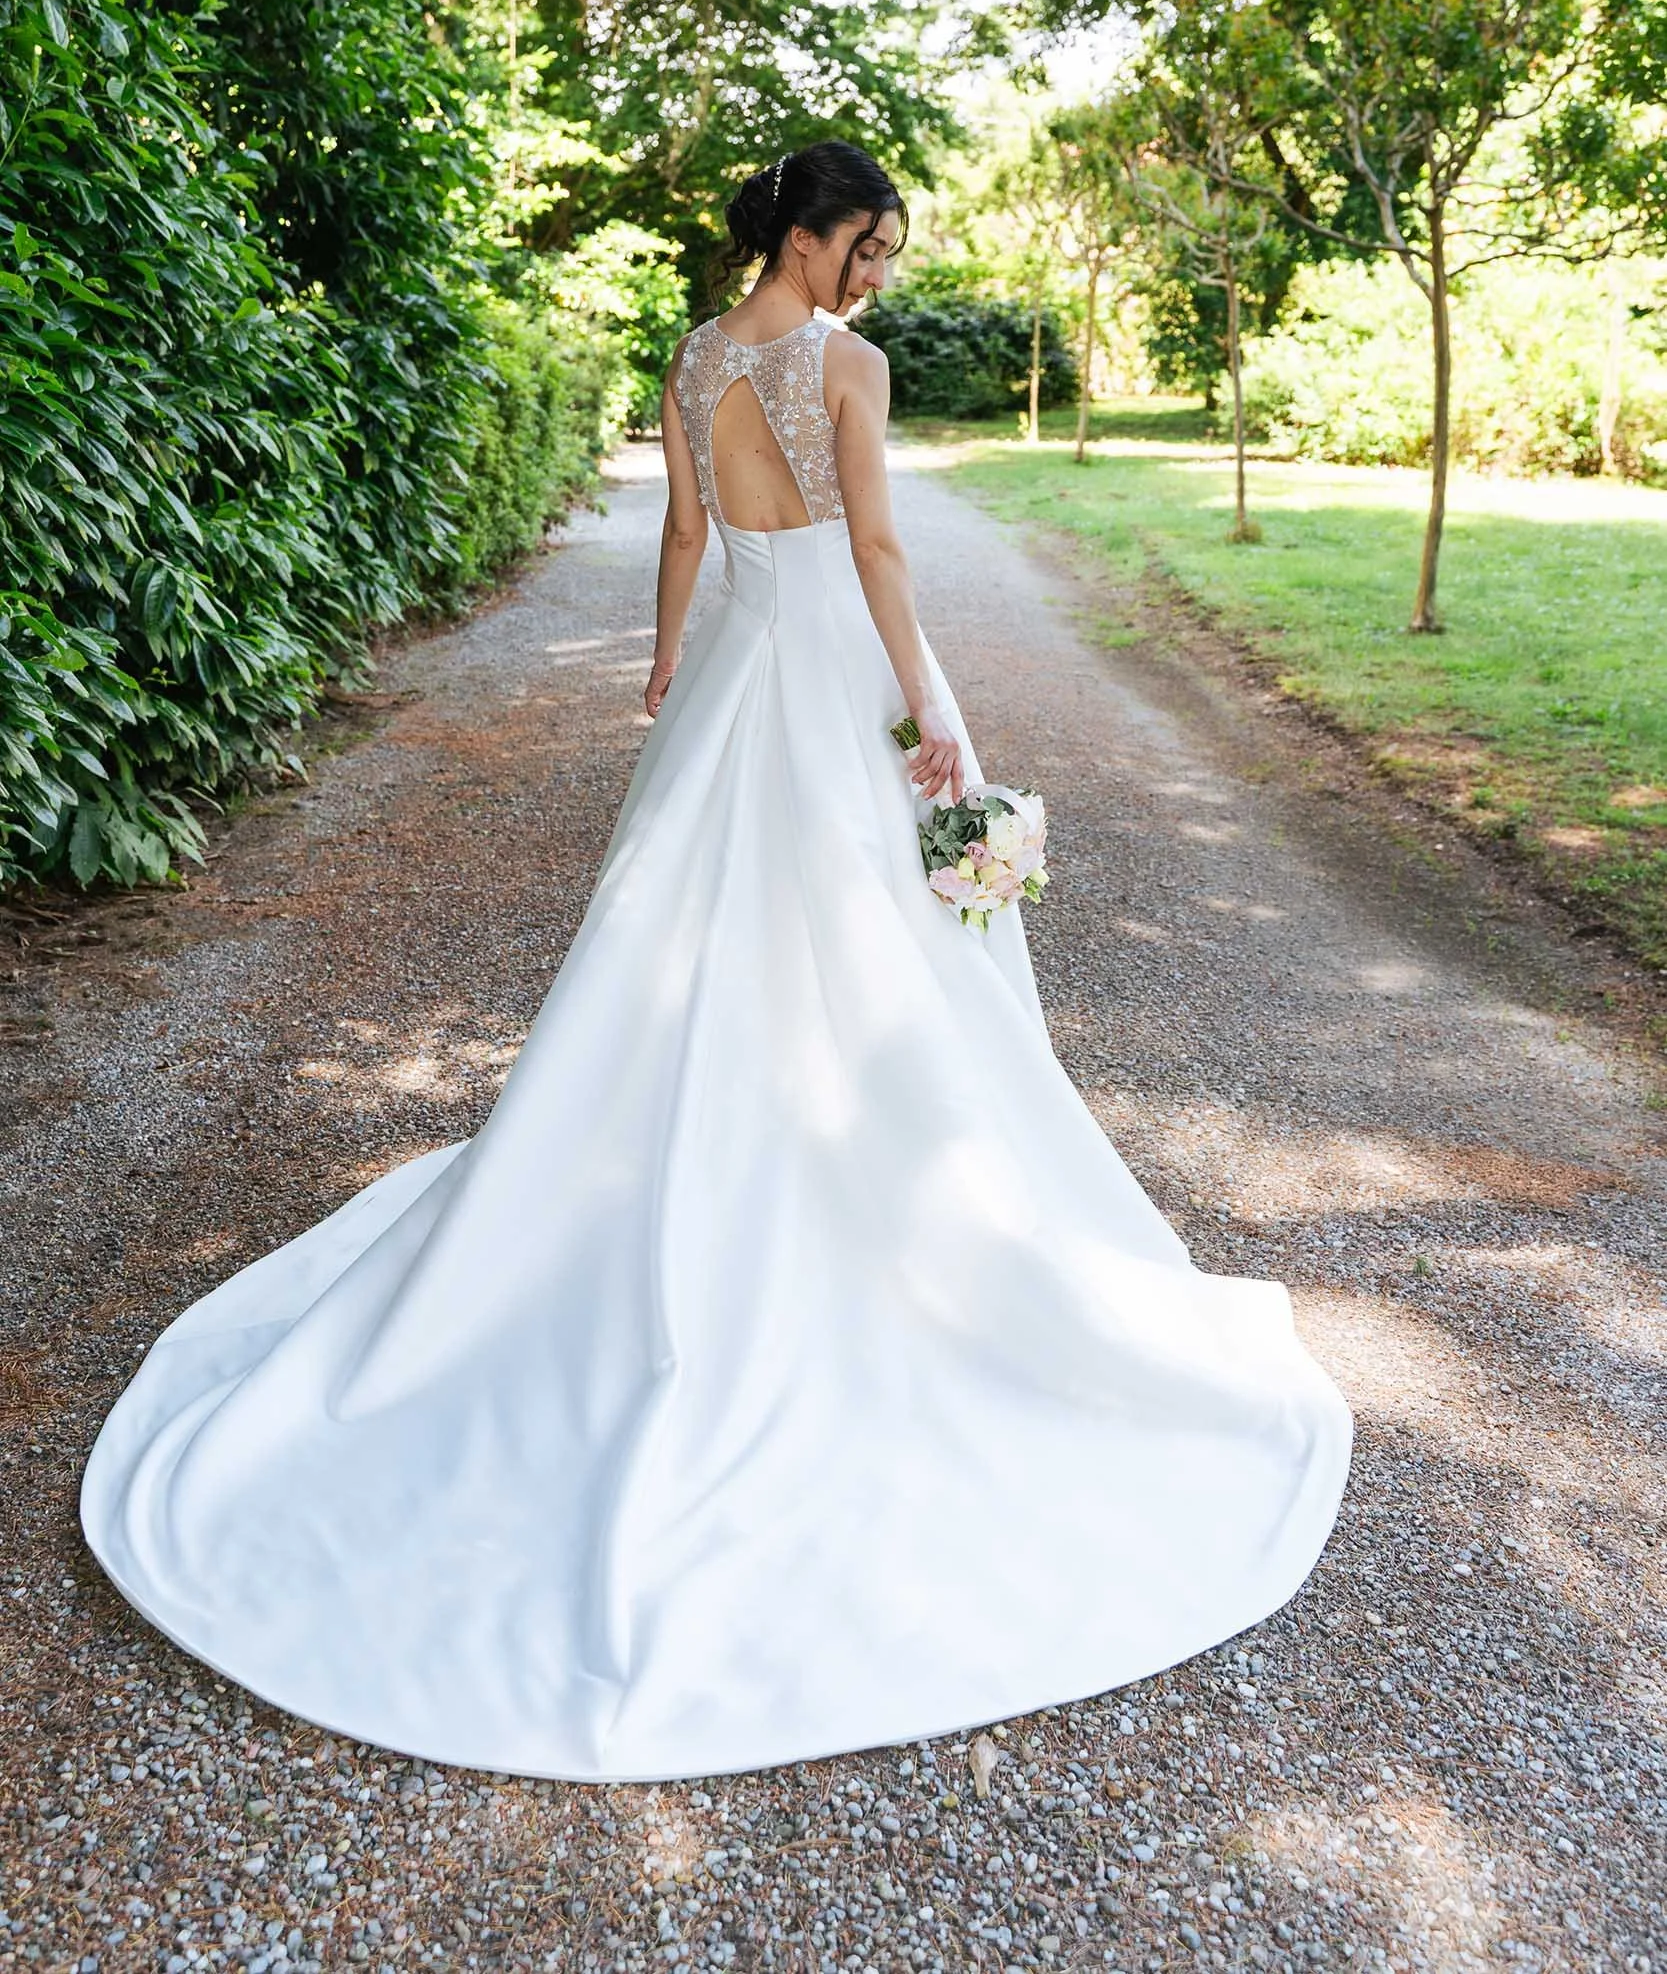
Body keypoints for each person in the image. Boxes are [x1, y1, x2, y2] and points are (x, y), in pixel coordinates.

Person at [82, 139, 1351, 1782]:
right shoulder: (845, 369)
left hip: (738, 664)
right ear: (808, 236)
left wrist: (670, 666)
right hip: (835, 669)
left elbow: (684, 532)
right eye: (866, 245)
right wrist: (927, 715)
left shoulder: (692, 357)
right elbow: (878, 554)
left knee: (687, 935)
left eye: (884, 252)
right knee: (885, 939)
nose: (876, 273)